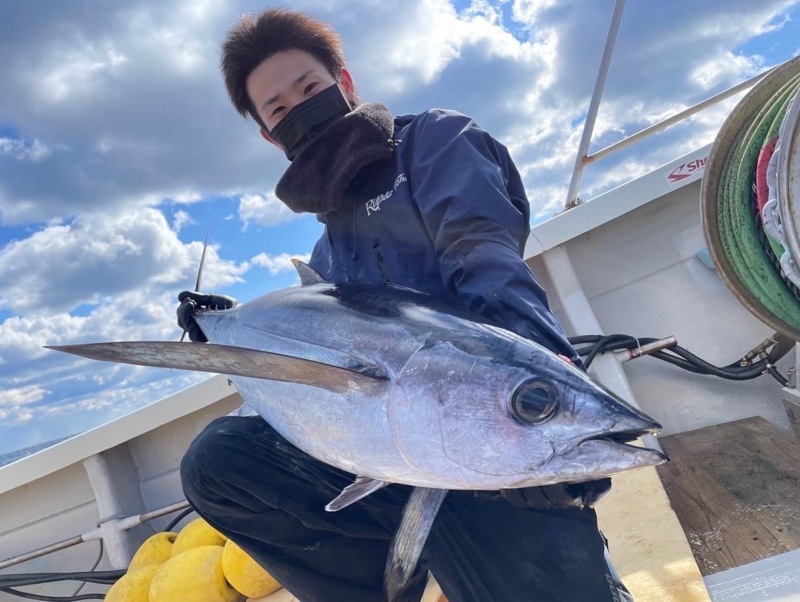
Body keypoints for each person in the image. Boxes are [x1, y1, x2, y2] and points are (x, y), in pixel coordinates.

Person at [178, 8, 631, 602]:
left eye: (309, 89)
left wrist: (541, 396)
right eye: (280, 110)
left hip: (483, 439)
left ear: (345, 84)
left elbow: (487, 262)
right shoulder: (327, 251)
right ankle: (390, 582)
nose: (301, 111)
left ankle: (486, 545)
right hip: (403, 456)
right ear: (269, 135)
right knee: (217, 461)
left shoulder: (434, 142)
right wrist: (221, 329)